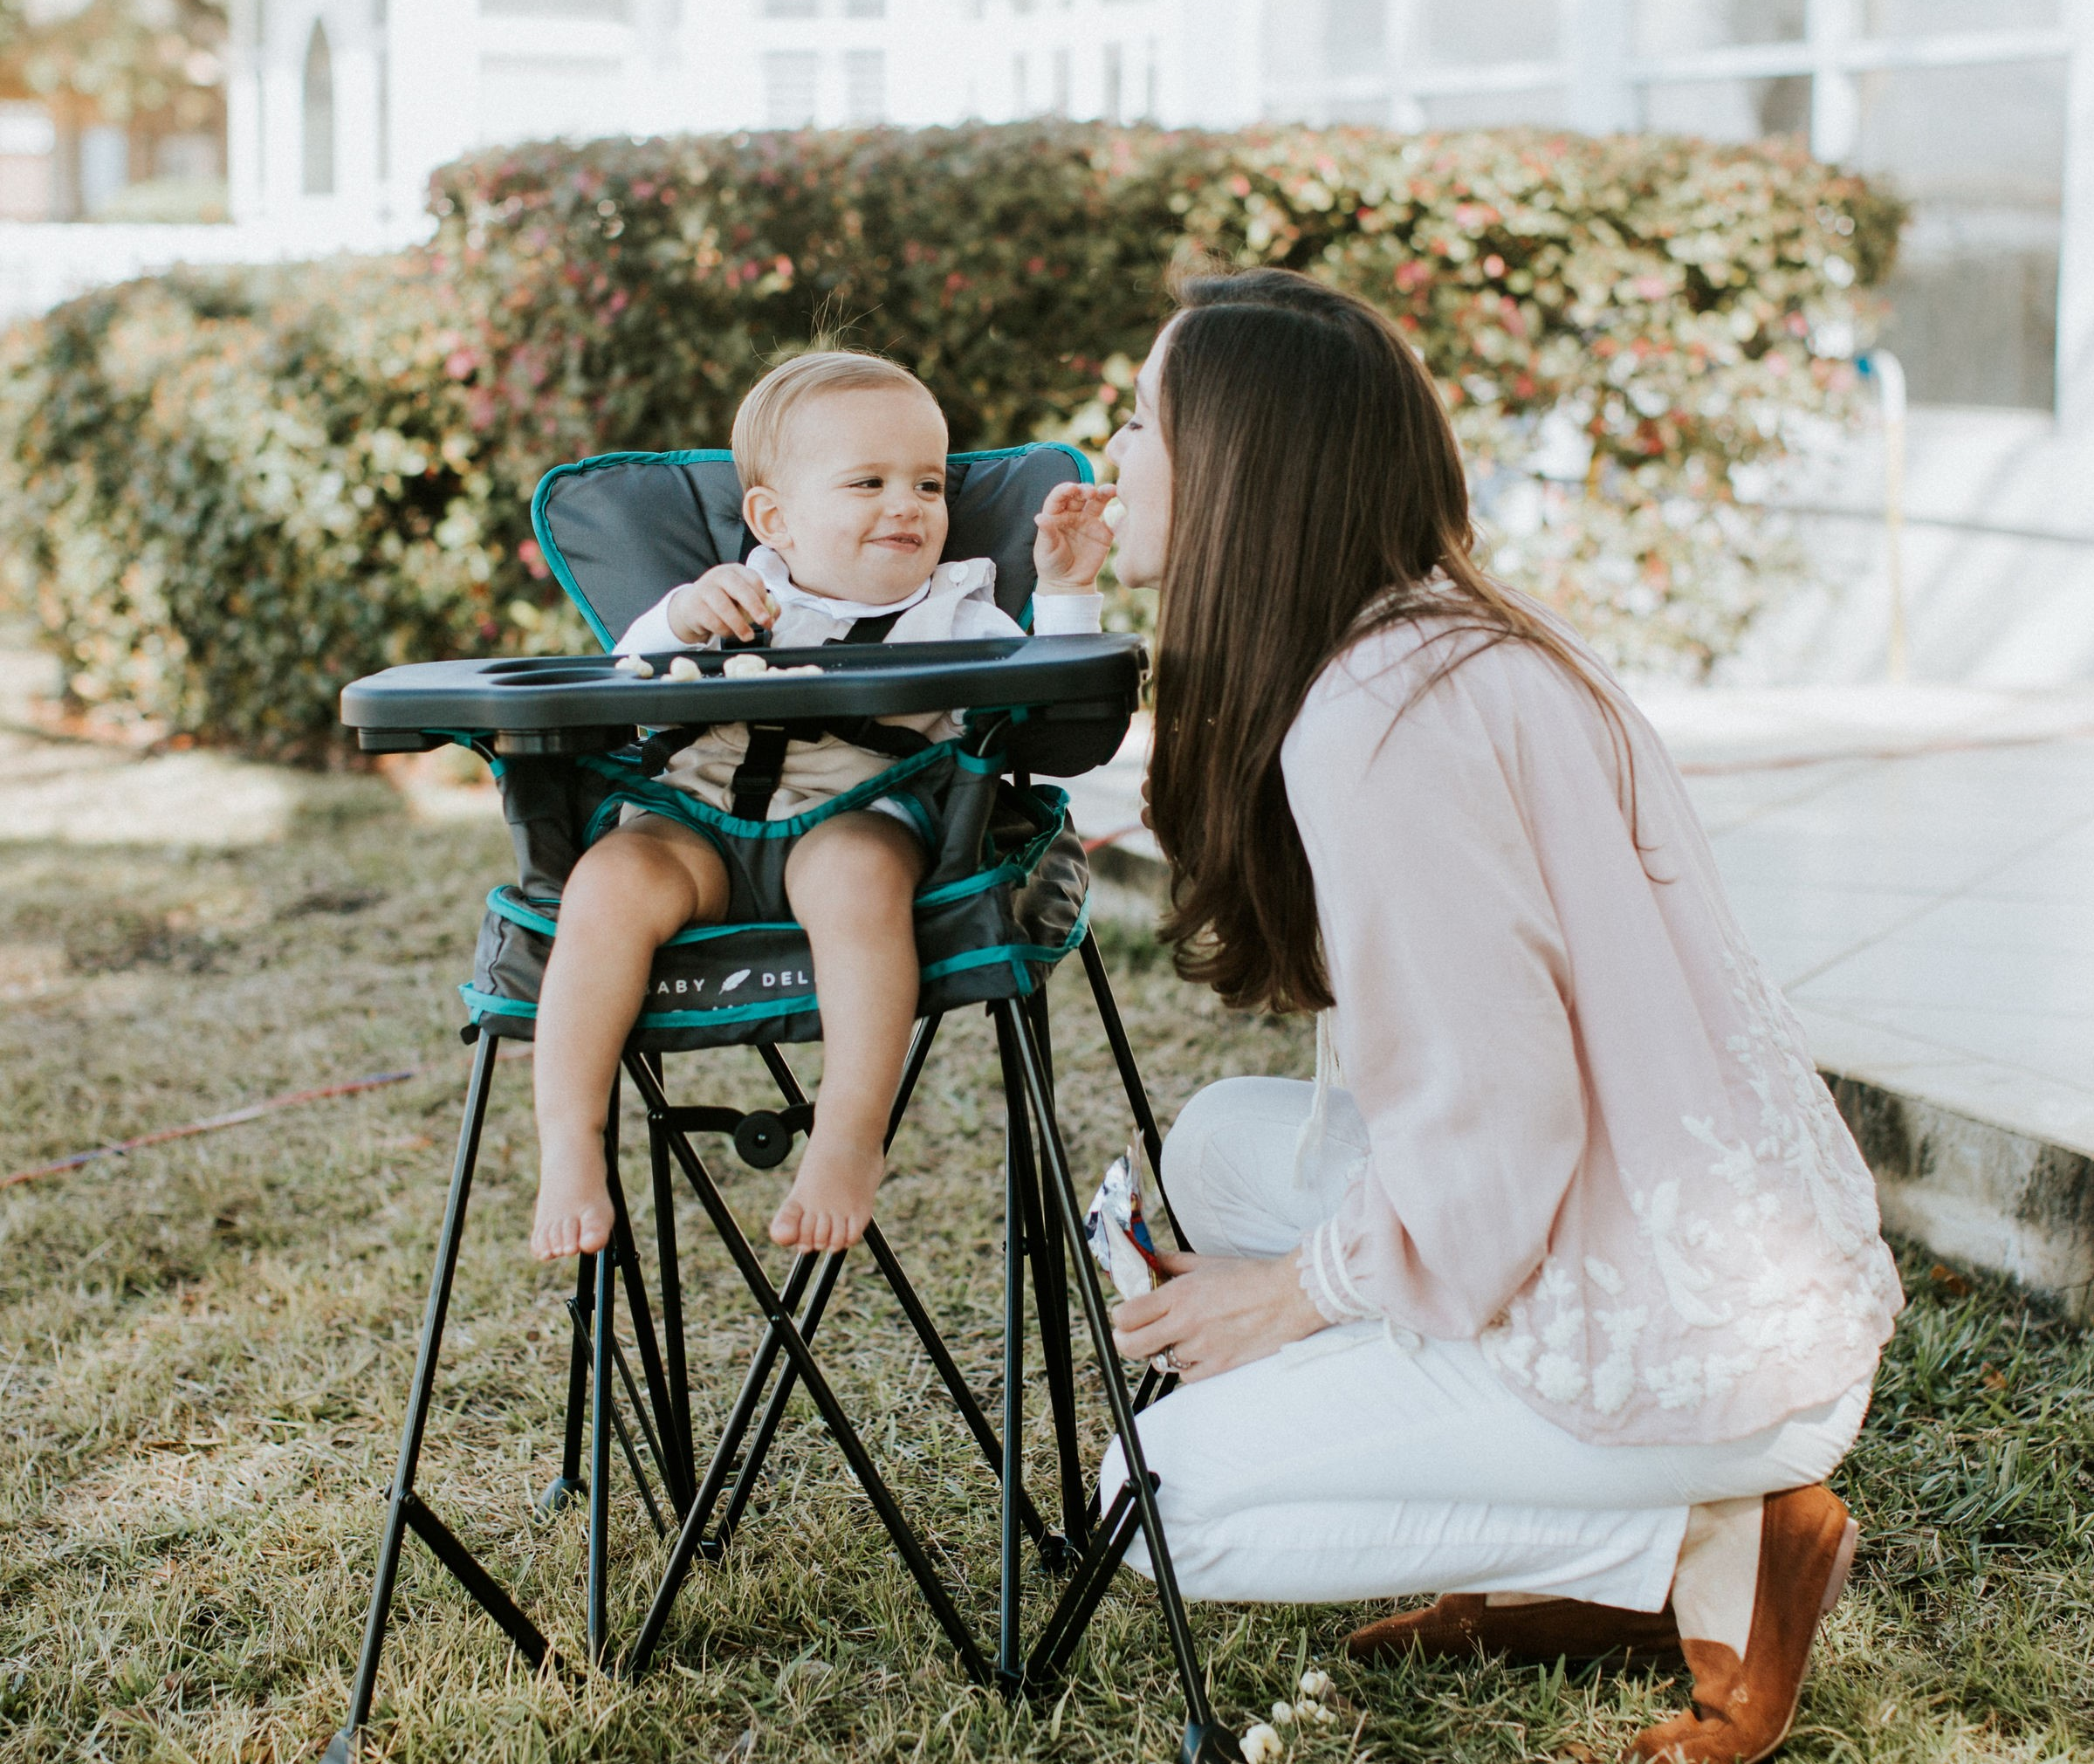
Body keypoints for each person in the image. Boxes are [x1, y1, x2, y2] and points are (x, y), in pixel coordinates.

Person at [1096, 270, 1903, 1764]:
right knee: (1215, 1147)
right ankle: (1603, 1517)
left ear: (1232, 473)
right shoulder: (1454, 640)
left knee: (1150, 1495)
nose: (1109, 462)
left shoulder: (1374, 724)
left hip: (1682, 1323)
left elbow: (1497, 1126)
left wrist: (1290, 1298)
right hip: (1706, 1236)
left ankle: (1689, 1549)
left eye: (1138, 425)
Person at [529, 349, 1114, 1263]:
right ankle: (569, 1140)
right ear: (774, 518)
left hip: (858, 814)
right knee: (604, 882)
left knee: (852, 872)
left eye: (927, 481)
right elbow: (627, 680)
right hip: (698, 825)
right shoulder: (730, 600)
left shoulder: (960, 611)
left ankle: (847, 1133)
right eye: (867, 481)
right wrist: (680, 618)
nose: (907, 504)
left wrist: (1068, 592)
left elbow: (1057, 720)